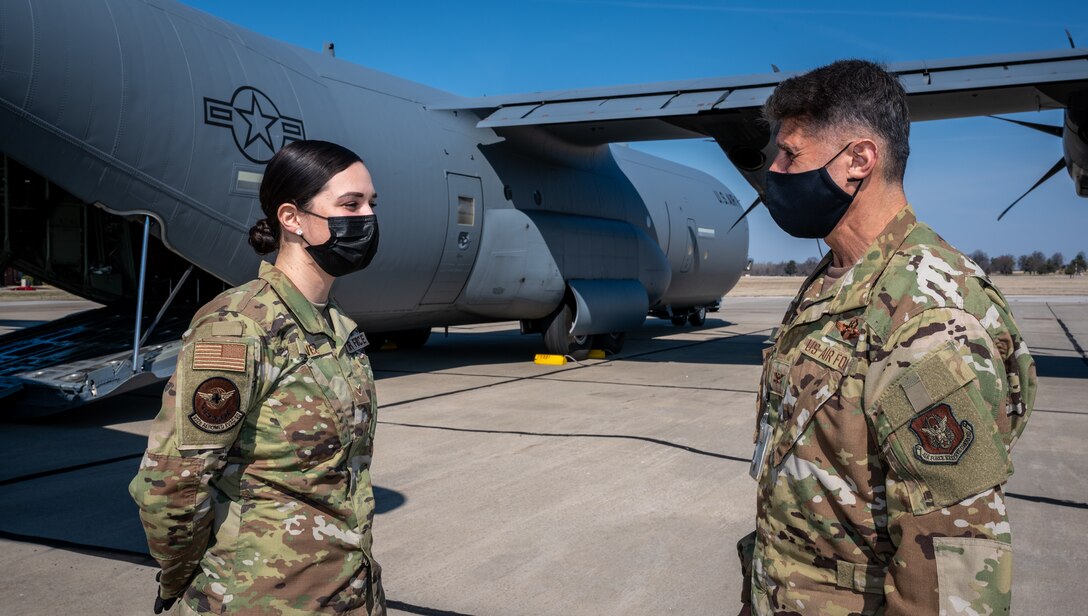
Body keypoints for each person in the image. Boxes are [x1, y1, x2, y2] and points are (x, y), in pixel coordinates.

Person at [738, 60, 1036, 615]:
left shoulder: (925, 314)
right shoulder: (838, 278)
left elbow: (951, 555)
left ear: (858, 160)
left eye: (790, 154)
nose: (773, 171)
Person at [129, 139, 386, 615]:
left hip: (348, 594)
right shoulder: (238, 327)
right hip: (260, 600)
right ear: (292, 218)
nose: (368, 217)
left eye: (372, 203)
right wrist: (185, 579)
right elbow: (174, 483)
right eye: (351, 204)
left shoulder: (335, 326)